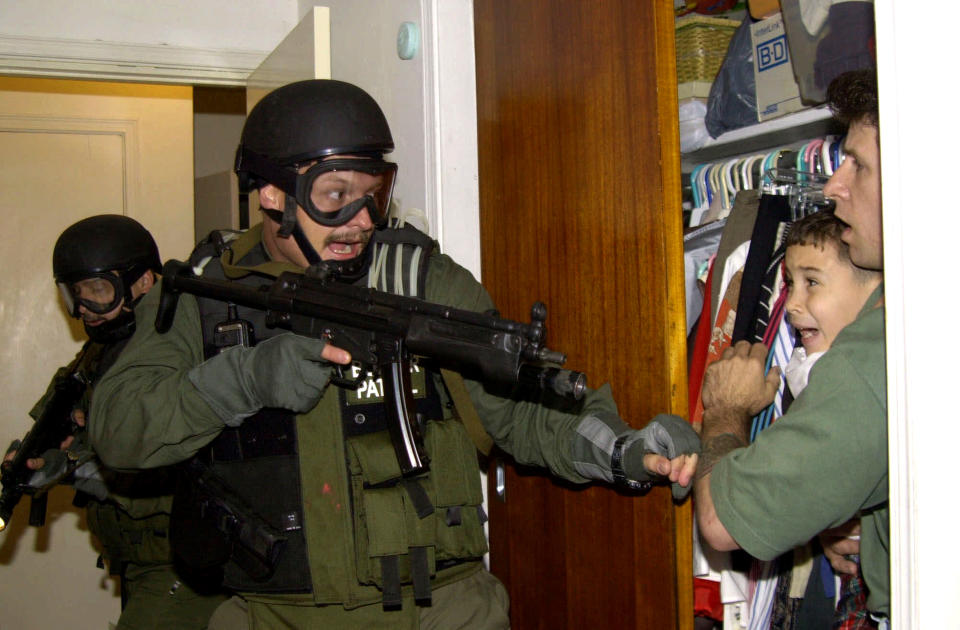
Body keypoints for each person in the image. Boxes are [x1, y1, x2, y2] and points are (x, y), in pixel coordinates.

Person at [87, 79, 701, 628]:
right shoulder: (203, 296)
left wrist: (623, 449)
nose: (360, 219)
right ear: (273, 193)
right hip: (276, 614)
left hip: (441, 609)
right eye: (334, 195)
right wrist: (241, 381)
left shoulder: (418, 281)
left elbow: (520, 409)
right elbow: (119, 432)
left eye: (373, 194)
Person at [693, 67, 889, 625]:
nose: (834, 185)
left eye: (860, 165)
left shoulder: (877, 353)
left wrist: (726, 408)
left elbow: (722, 522)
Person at [4, 215, 228, 629]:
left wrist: (88, 468)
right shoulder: (98, 353)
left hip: (184, 562)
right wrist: (49, 463)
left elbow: (187, 457)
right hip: (137, 561)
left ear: (143, 282)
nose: (85, 307)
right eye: (76, 294)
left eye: (98, 291)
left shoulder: (171, 348)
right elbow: (66, 434)